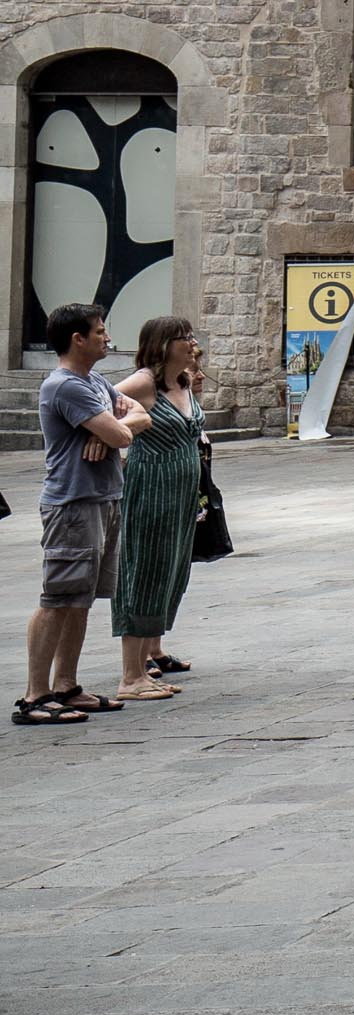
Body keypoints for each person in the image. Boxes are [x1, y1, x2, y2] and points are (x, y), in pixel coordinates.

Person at [22, 303, 140, 725]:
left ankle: (66, 685)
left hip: (103, 498)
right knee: (58, 597)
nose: (108, 338)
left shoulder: (96, 381)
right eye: (101, 331)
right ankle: (35, 695)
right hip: (72, 504)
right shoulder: (64, 386)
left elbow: (142, 413)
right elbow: (122, 429)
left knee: (82, 599)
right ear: (78, 339)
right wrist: (112, 432)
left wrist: (108, 436)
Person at [107, 314, 208, 700]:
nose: (192, 343)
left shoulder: (182, 381)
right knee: (143, 571)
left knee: (170, 571)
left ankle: (148, 658)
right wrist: (109, 438)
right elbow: (100, 402)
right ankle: (130, 676)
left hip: (180, 495)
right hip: (150, 490)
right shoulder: (144, 382)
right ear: (163, 344)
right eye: (184, 337)